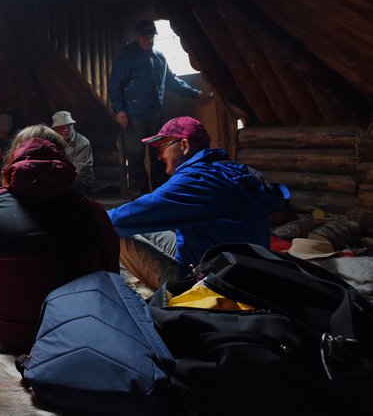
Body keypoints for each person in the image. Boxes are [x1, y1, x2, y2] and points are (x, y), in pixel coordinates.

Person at [0, 125, 120, 355]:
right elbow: (110, 274)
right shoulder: (92, 211)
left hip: (2, 337)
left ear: (13, 159)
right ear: (63, 159)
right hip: (76, 334)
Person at [107, 117, 288, 291]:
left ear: (184, 146)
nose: (159, 157)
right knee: (145, 227)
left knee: (110, 229)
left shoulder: (197, 180)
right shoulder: (223, 169)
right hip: (238, 265)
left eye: (162, 147)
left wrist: (85, 218)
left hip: (217, 281)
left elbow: (125, 216)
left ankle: (173, 288)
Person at [107, 19, 211, 195]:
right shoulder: (127, 57)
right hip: (134, 116)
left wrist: (194, 93)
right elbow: (114, 85)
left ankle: (160, 193)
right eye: (144, 38)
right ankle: (138, 196)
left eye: (151, 38)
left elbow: (172, 82)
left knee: (159, 156)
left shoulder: (159, 57)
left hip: (155, 115)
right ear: (137, 36)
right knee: (135, 156)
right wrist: (120, 110)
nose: (148, 42)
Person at [50, 111, 94, 195]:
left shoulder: (82, 143)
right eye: (61, 127)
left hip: (81, 182)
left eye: (69, 126)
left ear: (73, 126)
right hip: (61, 180)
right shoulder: (52, 142)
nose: (66, 130)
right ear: (55, 129)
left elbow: (80, 171)